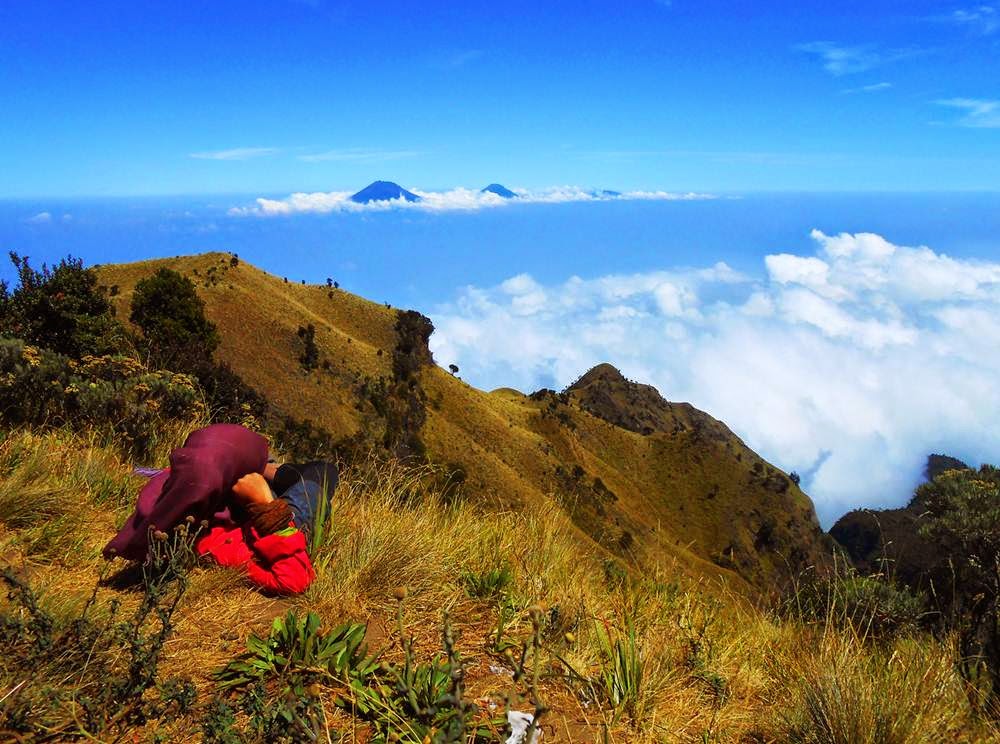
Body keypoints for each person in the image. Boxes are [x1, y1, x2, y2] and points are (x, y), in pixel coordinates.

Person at [104, 424, 337, 595]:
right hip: (273, 524)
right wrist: (268, 508)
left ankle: (256, 466)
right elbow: (292, 580)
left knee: (211, 460)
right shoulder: (215, 546)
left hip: (232, 499)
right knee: (323, 472)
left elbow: (190, 474)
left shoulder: (166, 493)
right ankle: (262, 468)